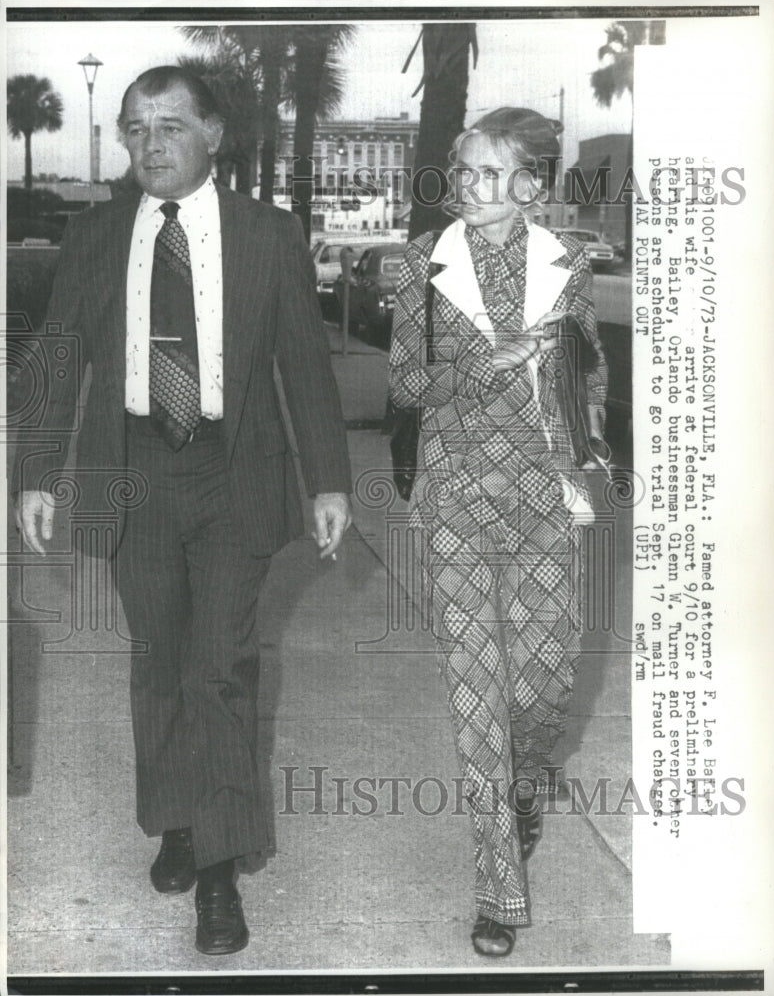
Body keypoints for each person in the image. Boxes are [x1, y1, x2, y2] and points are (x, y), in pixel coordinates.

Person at [13, 66, 352, 956]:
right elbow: (55, 358)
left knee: (219, 668)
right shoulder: (94, 234)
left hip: (233, 469)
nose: (148, 144)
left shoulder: (266, 234)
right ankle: (175, 821)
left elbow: (304, 364)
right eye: (133, 128)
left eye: (168, 126)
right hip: (131, 468)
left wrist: (328, 480)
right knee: (158, 661)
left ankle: (218, 870)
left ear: (212, 134)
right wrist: (35, 473)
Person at [388, 107, 608, 957]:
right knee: (477, 693)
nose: (467, 188)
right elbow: (405, 383)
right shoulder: (422, 264)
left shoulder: (573, 265)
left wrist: (588, 452)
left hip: (543, 496)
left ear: (531, 183)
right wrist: (481, 362)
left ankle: (525, 782)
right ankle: (498, 889)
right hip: (453, 494)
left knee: (544, 682)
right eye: (461, 171)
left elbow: (587, 375)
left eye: (487, 172)